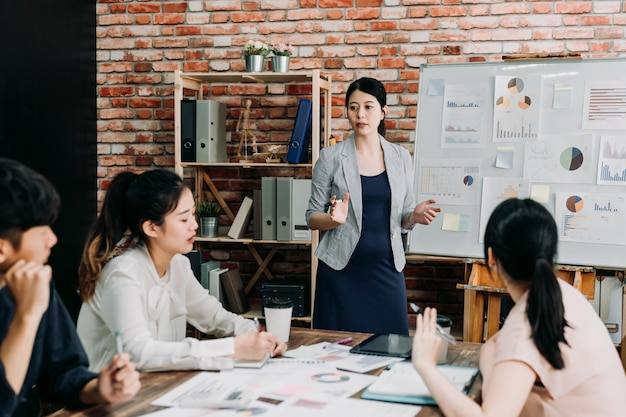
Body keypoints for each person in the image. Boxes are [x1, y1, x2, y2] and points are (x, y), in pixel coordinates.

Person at [412, 198, 626, 417]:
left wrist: (425, 365)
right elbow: (493, 345)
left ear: (492, 257)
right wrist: (495, 374)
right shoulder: (560, 293)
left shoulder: (527, 321)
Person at [76, 168, 286, 372]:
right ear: (151, 227)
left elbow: (214, 317)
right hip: (110, 398)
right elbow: (139, 353)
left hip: (158, 388)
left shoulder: (178, 265)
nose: (194, 225)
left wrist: (257, 336)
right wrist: (232, 348)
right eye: (184, 218)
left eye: (193, 215)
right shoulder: (123, 274)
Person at [0, 158, 140, 417]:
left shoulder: (36, 280)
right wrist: (27, 316)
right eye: (41, 231)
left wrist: (98, 387)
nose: (52, 240)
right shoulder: (31, 293)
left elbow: (63, 373)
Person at [306, 77, 441, 335]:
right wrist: (333, 219)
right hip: (340, 271)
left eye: (368, 107)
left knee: (392, 350)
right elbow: (312, 216)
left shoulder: (400, 157)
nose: (360, 114)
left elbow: (403, 216)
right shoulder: (331, 157)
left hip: (386, 269)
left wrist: (415, 216)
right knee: (334, 354)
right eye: (353, 107)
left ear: (383, 112)